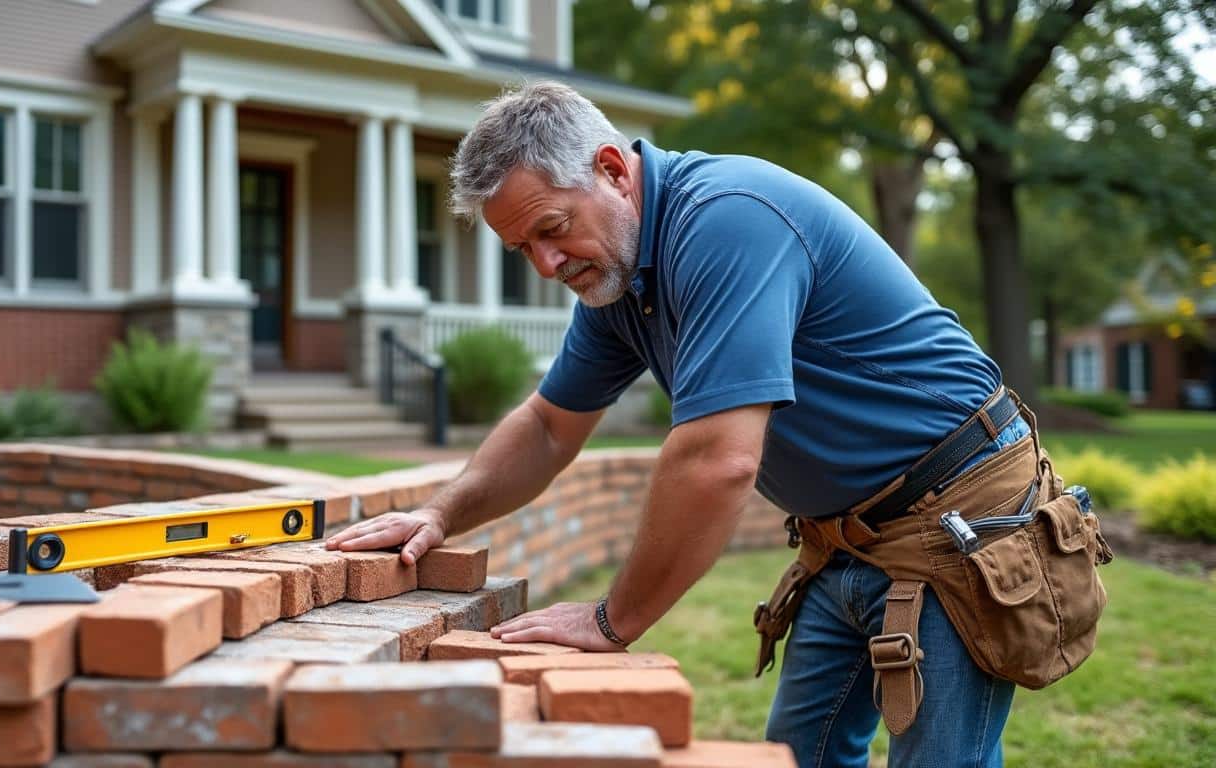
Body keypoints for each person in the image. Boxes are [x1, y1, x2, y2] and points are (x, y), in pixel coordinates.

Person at [325, 81, 1083, 768]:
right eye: (523, 247)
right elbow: (550, 426)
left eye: (552, 229)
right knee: (799, 757)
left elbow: (718, 460)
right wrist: (438, 512)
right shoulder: (616, 275)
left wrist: (611, 620)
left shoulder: (726, 221)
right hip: (844, 536)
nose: (547, 265)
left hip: (964, 517)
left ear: (614, 171)